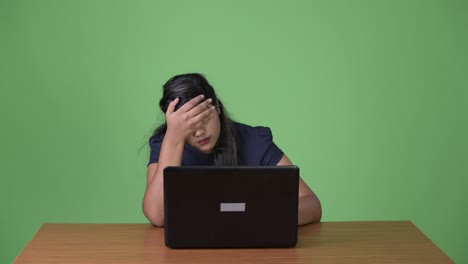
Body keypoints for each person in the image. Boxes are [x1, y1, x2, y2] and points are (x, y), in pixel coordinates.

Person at [143, 73, 322, 227]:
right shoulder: (166, 144)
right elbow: (158, 215)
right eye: (188, 126)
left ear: (217, 109)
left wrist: (259, 215)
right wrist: (174, 137)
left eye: (204, 119)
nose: (199, 132)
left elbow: (312, 205)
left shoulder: (253, 140)